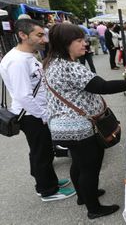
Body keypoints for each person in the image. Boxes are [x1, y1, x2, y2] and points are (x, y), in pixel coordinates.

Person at [43, 23, 126, 219]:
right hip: (79, 127)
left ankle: (84, 196)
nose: (85, 43)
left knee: (78, 163)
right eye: (78, 40)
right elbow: (102, 86)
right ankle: (94, 208)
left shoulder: (51, 62)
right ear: (64, 43)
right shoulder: (69, 67)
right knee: (90, 167)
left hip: (63, 126)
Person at [0, 19, 76, 202]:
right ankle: (47, 190)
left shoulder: (28, 56)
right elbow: (23, 95)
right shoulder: (16, 61)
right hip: (32, 116)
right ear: (23, 35)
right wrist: (44, 116)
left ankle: (49, 182)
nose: (44, 39)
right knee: (41, 153)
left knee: (43, 151)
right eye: (39, 35)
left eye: (44, 34)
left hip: (38, 113)